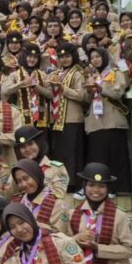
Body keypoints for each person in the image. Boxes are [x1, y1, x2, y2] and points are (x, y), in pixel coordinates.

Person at [84, 47, 131, 193]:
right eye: (92, 58)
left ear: (104, 57)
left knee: (116, 156)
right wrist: (89, 89)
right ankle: (100, 189)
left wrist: (99, 86)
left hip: (112, 120)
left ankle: (120, 188)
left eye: (98, 56)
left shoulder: (115, 72)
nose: (95, 60)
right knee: (99, 157)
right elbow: (86, 99)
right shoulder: (93, 76)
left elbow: (117, 92)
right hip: (96, 122)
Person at [47, 43, 87, 193]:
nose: (64, 59)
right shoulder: (57, 73)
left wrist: (63, 88)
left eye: (67, 56)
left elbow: (82, 95)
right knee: (60, 153)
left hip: (72, 119)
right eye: (61, 56)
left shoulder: (78, 73)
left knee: (72, 153)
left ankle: (75, 184)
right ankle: (62, 183)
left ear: (73, 56)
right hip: (56, 119)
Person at [10, 126, 69, 199]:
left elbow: (59, 195)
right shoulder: (17, 170)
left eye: (30, 144)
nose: (27, 149)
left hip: (48, 209)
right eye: (22, 147)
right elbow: (9, 195)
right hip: (23, 208)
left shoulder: (56, 168)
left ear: (39, 143)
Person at [9, 159, 69, 230]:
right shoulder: (16, 202)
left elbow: (61, 236)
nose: (23, 184)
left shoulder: (57, 204)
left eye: (26, 178)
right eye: (19, 181)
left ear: (36, 175)